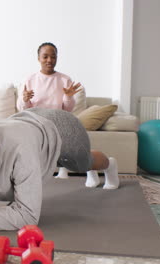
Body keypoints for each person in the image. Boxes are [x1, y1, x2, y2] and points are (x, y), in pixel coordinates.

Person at [0, 108, 119, 231]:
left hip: (60, 127)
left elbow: (28, 217)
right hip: (27, 125)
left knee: (83, 163)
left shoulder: (21, 150)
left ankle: (109, 165)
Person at [16, 42, 99, 185]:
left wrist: (68, 97)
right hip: (37, 123)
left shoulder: (64, 79)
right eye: (45, 56)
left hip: (58, 121)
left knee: (74, 149)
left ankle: (90, 169)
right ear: (38, 58)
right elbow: (23, 110)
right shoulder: (29, 79)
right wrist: (24, 99)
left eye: (53, 57)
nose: (49, 60)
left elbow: (68, 109)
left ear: (57, 58)